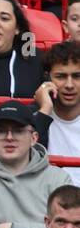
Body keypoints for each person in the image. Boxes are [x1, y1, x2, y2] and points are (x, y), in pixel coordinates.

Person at [37, 41, 80, 185]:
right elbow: (24, 162)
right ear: (47, 78)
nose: (69, 85)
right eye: (61, 76)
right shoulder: (35, 116)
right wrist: (44, 111)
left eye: (77, 76)